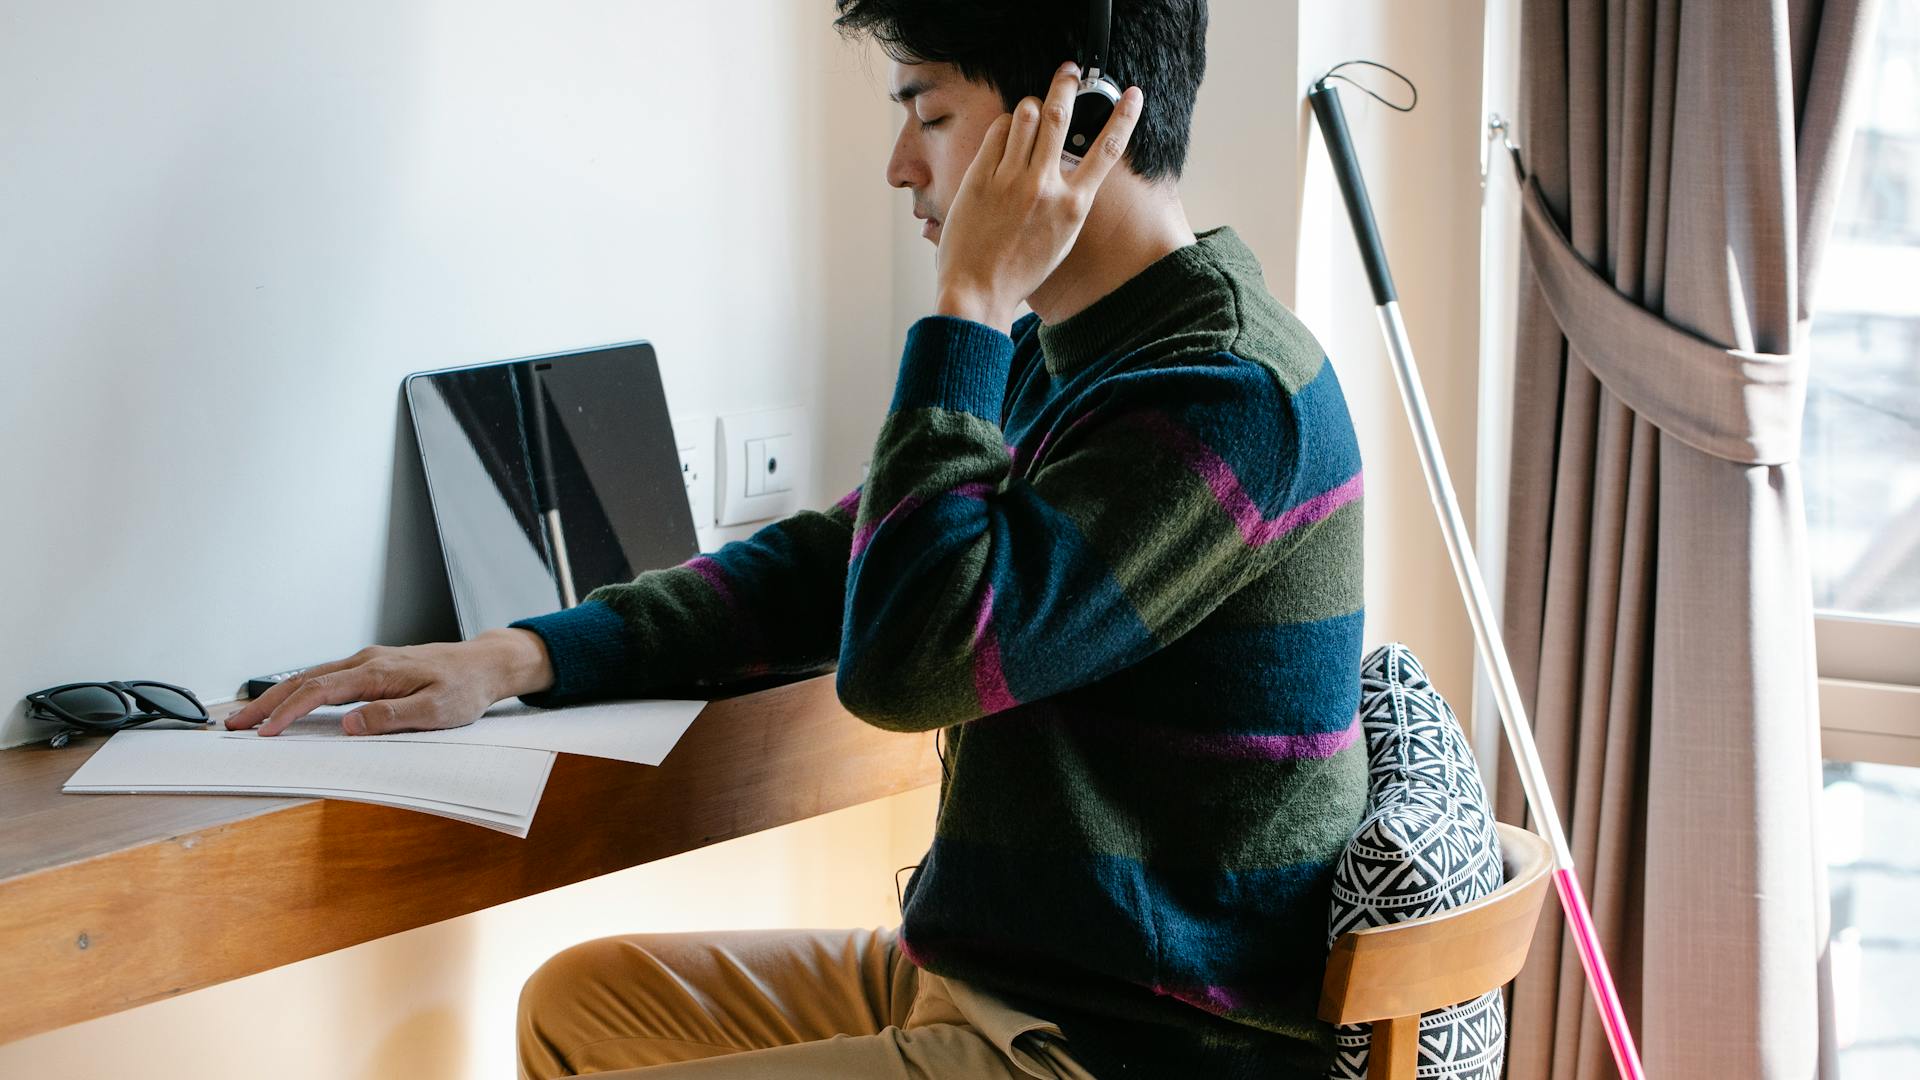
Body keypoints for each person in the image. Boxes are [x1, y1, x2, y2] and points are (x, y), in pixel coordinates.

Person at [223, 2, 1367, 1076]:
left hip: (1112, 1044)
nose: (901, 166)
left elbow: (910, 663)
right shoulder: (1072, 354)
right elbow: (834, 560)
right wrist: (515, 656)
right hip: (991, 975)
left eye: (928, 114)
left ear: (1066, 128)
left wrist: (967, 303)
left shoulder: (1225, 394)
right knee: (579, 1006)